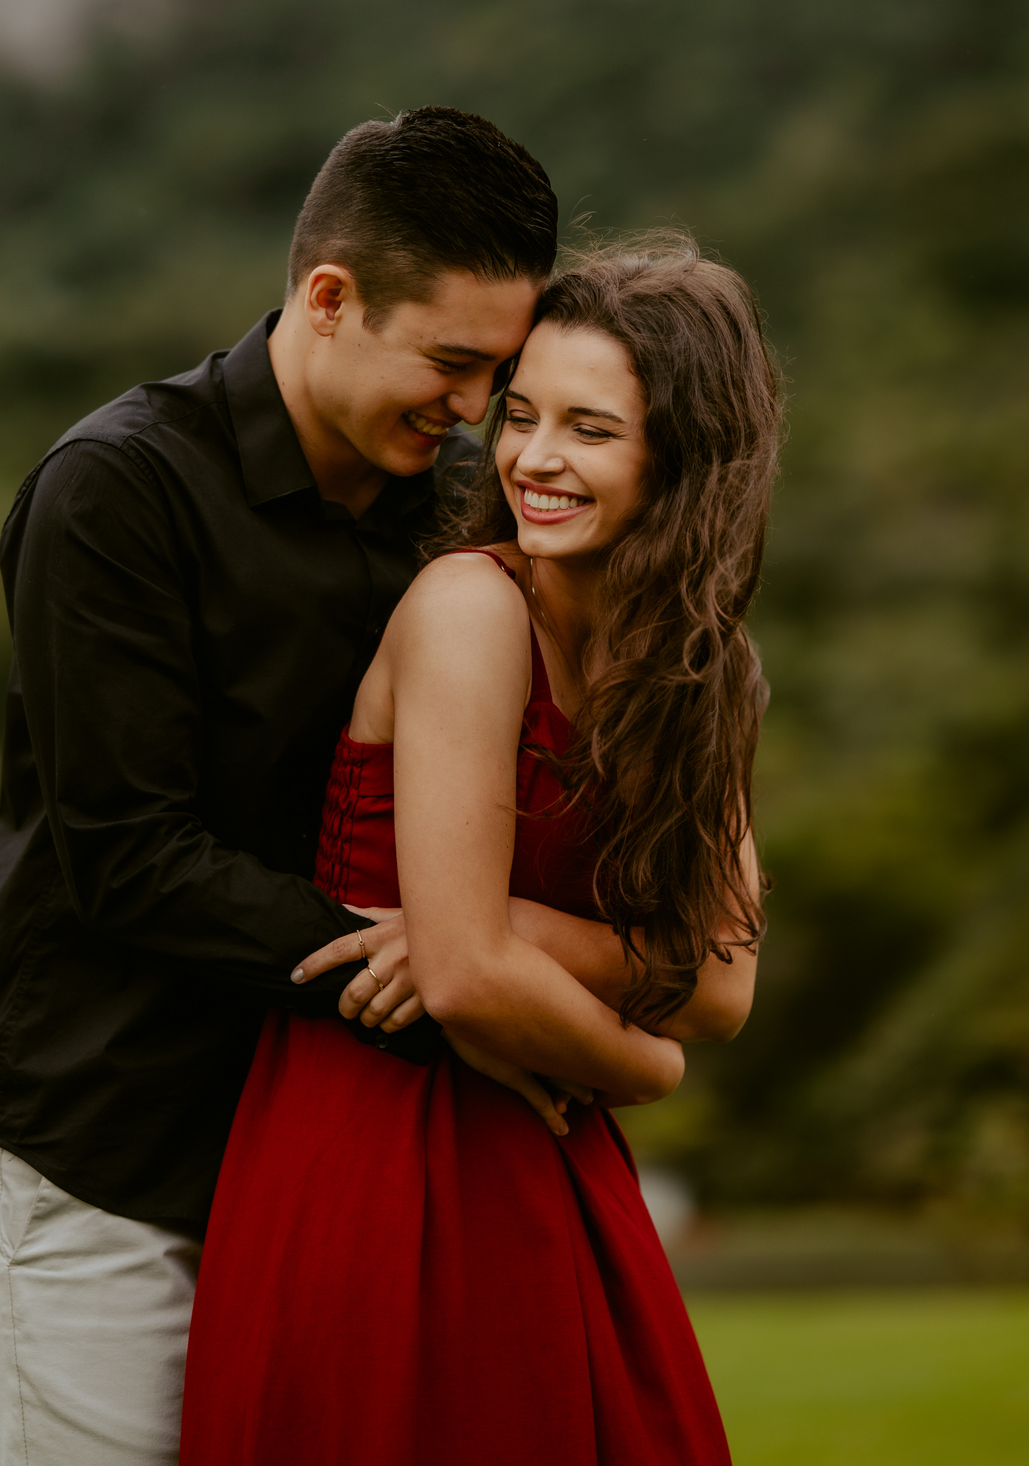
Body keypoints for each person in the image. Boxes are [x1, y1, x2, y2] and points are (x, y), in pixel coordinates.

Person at [0, 106, 577, 1466]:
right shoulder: (116, 490)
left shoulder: (457, 514)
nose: (478, 412)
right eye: (452, 364)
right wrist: (439, 976)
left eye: (500, 373)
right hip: (101, 1178)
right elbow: (129, 857)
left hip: (328, 1170)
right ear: (329, 299)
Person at [178, 237, 780, 1466]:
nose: (533, 459)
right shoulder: (472, 607)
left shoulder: (697, 667)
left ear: (684, 458)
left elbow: (721, 984)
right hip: (382, 1133)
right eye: (520, 415)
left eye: (590, 429)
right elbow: (458, 979)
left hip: (548, 1134)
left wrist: (517, 937)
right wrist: (648, 1065)